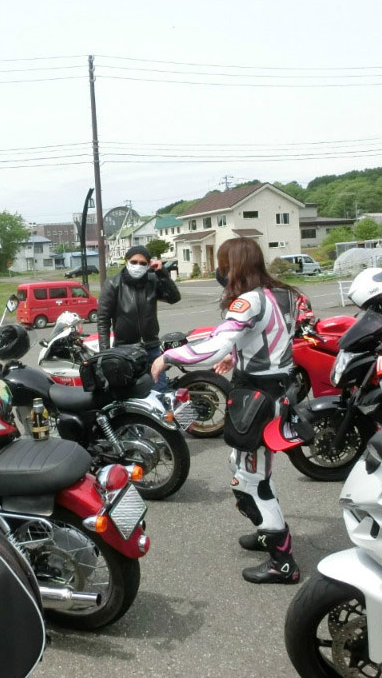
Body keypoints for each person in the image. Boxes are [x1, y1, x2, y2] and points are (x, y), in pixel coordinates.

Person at [150, 237, 300, 584]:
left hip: (259, 396)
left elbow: (214, 346)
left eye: (221, 264)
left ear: (233, 266)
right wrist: (238, 356)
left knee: (249, 480)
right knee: (253, 469)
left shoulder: (248, 301)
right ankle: (268, 532)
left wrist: (168, 357)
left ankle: (283, 561)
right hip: (276, 390)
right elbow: (273, 337)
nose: (219, 271)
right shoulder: (284, 293)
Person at [97, 245, 181, 390]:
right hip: (125, 350)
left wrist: (162, 273)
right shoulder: (113, 284)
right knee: (131, 393)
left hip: (151, 348)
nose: (138, 266)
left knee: (159, 390)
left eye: (143, 263)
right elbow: (103, 320)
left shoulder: (152, 280)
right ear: (126, 261)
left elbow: (174, 298)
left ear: (148, 265)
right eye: (134, 262)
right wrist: (105, 354)